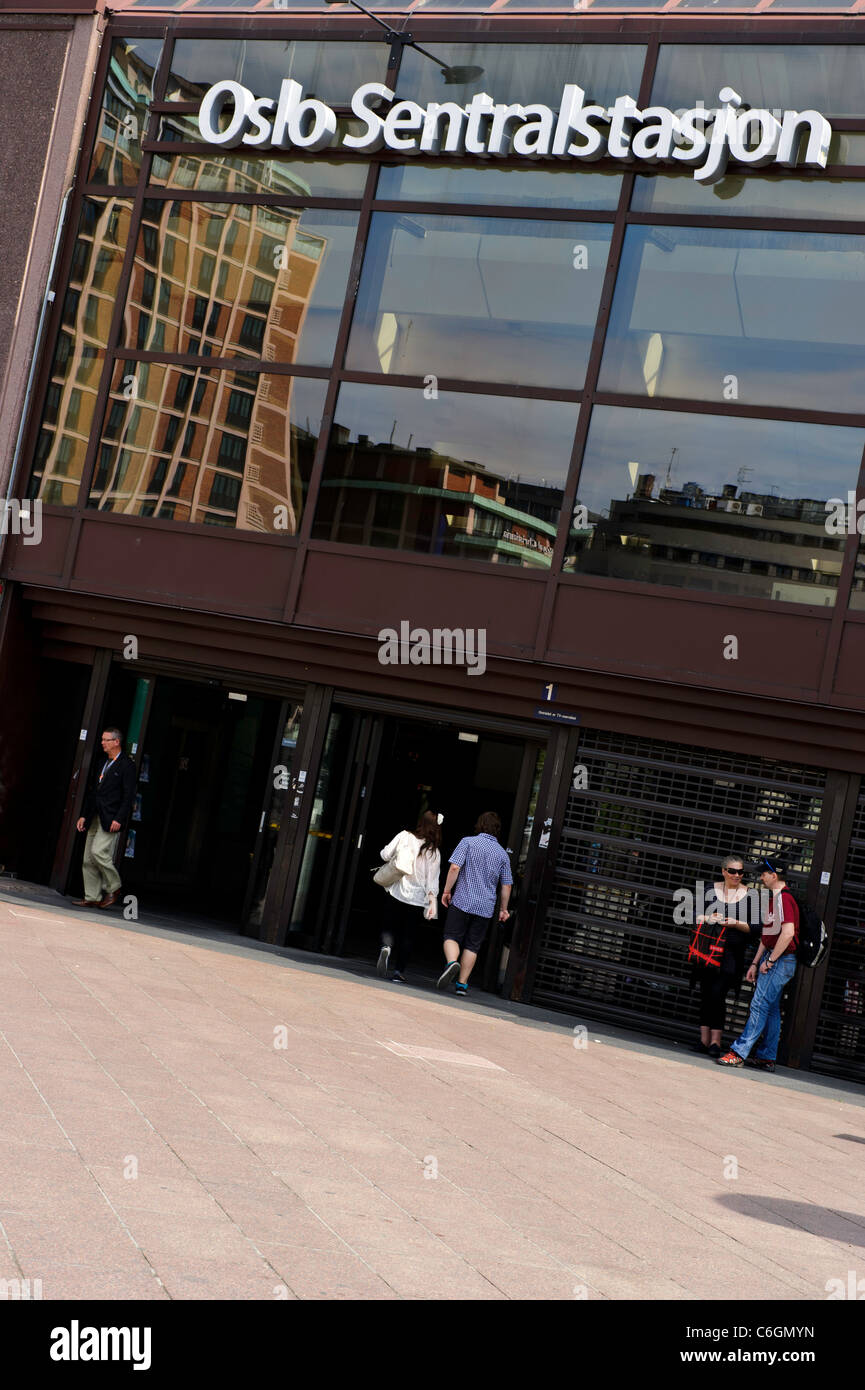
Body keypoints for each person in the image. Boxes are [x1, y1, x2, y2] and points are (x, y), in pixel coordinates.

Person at [716, 856, 799, 1072]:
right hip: (773, 958)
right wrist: (755, 963)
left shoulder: (784, 899)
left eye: (764, 873)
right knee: (770, 1008)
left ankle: (739, 1052)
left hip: (780, 960)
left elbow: (788, 933)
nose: (761, 877)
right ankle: (766, 1057)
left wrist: (770, 961)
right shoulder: (774, 899)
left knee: (759, 1004)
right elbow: (767, 934)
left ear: (774, 875)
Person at [437, 811, 512, 997]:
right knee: (472, 945)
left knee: (451, 936)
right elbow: (507, 885)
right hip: (485, 907)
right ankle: (462, 984)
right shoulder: (502, 854)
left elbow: (455, 867)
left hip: (462, 899)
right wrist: (504, 909)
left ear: (480, 825)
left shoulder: (468, 842)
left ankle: (452, 962)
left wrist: (446, 890)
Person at [691, 854, 753, 1058]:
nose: (737, 875)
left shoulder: (750, 895)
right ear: (724, 871)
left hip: (731, 954)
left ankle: (716, 1042)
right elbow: (693, 916)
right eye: (733, 871)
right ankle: (703, 1040)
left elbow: (756, 928)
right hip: (707, 950)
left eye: (741, 872)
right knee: (706, 992)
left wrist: (734, 923)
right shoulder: (710, 889)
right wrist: (709, 918)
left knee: (718, 994)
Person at [73, 727, 137, 909]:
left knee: (99, 852)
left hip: (111, 818)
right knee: (87, 858)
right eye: (102, 739)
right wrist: (84, 815)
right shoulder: (102, 762)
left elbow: (128, 796)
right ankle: (92, 896)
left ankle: (114, 887)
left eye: (106, 740)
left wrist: (120, 818)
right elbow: (94, 793)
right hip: (95, 815)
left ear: (117, 742)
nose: (102, 743)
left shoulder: (127, 765)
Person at [376, 811, 441, 983]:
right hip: (417, 899)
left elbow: (385, 854)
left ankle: (386, 947)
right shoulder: (433, 851)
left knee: (389, 925)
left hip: (397, 891)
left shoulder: (404, 836)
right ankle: (398, 972)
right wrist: (432, 903)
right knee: (408, 935)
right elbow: (432, 881)